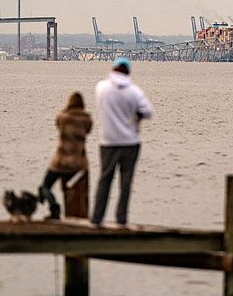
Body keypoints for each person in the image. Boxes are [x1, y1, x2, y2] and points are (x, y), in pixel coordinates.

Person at [90, 57, 153, 227]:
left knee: (104, 180)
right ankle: (121, 219)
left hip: (107, 142)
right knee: (125, 184)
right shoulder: (134, 91)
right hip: (130, 143)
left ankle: (96, 218)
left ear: (113, 69)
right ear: (129, 71)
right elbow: (148, 111)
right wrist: (135, 116)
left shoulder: (101, 88)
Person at [38, 92, 92, 220]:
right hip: (77, 164)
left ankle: (54, 208)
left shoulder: (62, 117)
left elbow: (58, 124)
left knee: (45, 186)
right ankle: (75, 215)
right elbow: (88, 130)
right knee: (73, 190)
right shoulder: (87, 120)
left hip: (60, 162)